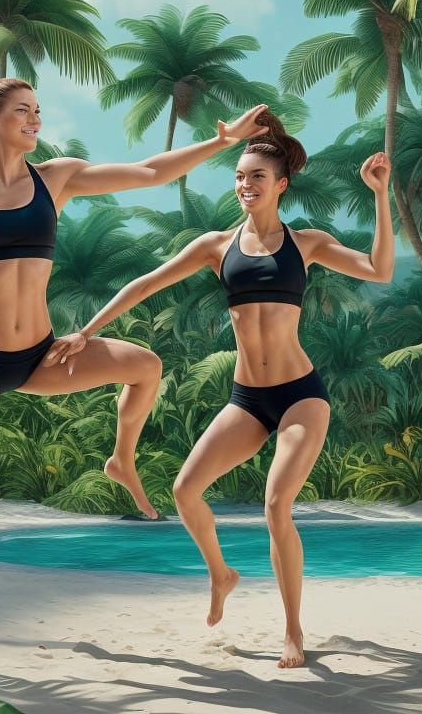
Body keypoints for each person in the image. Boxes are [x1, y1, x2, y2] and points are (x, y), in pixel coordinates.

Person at [0, 78, 273, 671]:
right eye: (23, 110)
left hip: (41, 355)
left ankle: (121, 460)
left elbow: (150, 172)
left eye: (38, 111)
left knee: (145, 367)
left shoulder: (56, 179)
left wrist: (221, 142)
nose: (35, 119)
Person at [44, 114, 393, 669]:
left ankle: (293, 631)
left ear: (281, 184)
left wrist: (379, 195)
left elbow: (378, 269)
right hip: (247, 399)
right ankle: (221, 573)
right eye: (239, 176)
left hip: (300, 395)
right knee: (185, 491)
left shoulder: (306, 244)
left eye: (257, 176)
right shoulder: (215, 246)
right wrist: (85, 332)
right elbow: (145, 284)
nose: (245, 184)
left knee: (276, 505)